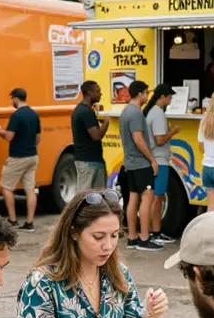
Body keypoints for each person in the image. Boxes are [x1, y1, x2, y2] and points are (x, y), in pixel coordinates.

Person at [12, 190, 168, 318]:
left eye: (115, 235)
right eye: (98, 237)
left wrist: (151, 316)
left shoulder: (118, 272)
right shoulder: (44, 281)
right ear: (74, 233)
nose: (108, 246)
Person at [119, 80, 162, 251]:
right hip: (140, 162)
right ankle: (144, 238)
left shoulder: (125, 112)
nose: (147, 96)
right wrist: (152, 159)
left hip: (129, 162)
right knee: (147, 196)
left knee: (133, 198)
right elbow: (138, 139)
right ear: (139, 94)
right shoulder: (136, 113)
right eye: (146, 93)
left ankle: (132, 237)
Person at [0, 88, 41, 231]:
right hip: (33, 156)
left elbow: (9, 136)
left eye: (11, 99)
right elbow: (38, 139)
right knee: (30, 190)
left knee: (6, 187)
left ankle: (12, 220)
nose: (11, 102)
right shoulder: (34, 114)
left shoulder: (17, 116)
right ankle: (29, 223)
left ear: (15, 98)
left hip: (17, 157)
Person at [143, 84, 179, 245]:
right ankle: (155, 232)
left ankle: (155, 231)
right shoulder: (157, 114)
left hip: (156, 159)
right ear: (163, 97)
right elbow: (159, 140)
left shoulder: (152, 112)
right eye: (169, 97)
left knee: (157, 197)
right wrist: (173, 131)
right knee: (158, 198)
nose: (171, 100)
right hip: (160, 159)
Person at [71, 80, 109, 191]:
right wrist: (106, 123)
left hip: (90, 160)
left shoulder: (82, 110)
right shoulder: (86, 112)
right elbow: (96, 136)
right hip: (88, 162)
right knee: (86, 197)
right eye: (97, 91)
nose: (100, 94)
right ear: (89, 93)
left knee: (95, 198)